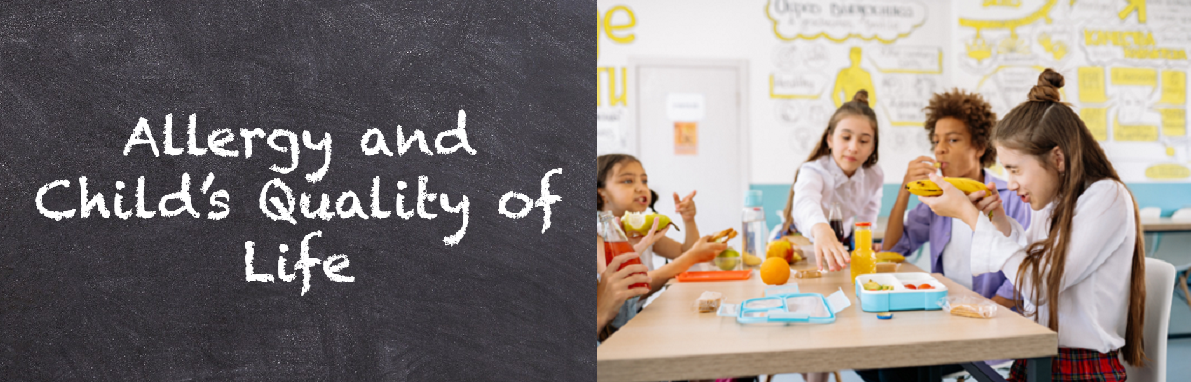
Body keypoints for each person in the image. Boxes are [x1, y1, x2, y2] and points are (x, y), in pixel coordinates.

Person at [919, 69, 1146, 381]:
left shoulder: (1107, 197)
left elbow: (1039, 286)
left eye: (1015, 170)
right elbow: (1031, 262)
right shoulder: (1053, 199)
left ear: (1058, 159)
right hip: (1037, 357)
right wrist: (997, 221)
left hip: (1080, 370)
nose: (1010, 184)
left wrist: (968, 216)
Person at [774, 90, 883, 273]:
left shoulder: (874, 175)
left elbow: (869, 210)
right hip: (800, 239)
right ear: (830, 139)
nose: (853, 147)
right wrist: (821, 230)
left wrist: (866, 241)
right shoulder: (814, 170)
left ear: (872, 147)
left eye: (863, 141)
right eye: (846, 137)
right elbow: (805, 201)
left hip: (842, 239)